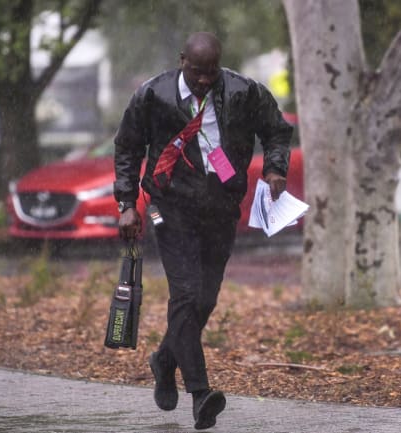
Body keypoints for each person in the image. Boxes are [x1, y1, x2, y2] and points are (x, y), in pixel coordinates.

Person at [113, 32, 293, 430]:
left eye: (211, 73)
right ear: (182, 61)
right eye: (197, 73)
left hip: (219, 206)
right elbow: (127, 147)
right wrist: (127, 204)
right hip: (168, 205)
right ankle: (200, 394)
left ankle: (164, 360)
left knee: (205, 300)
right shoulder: (152, 95)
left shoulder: (244, 91)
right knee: (186, 293)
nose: (204, 81)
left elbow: (277, 130)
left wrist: (275, 167)